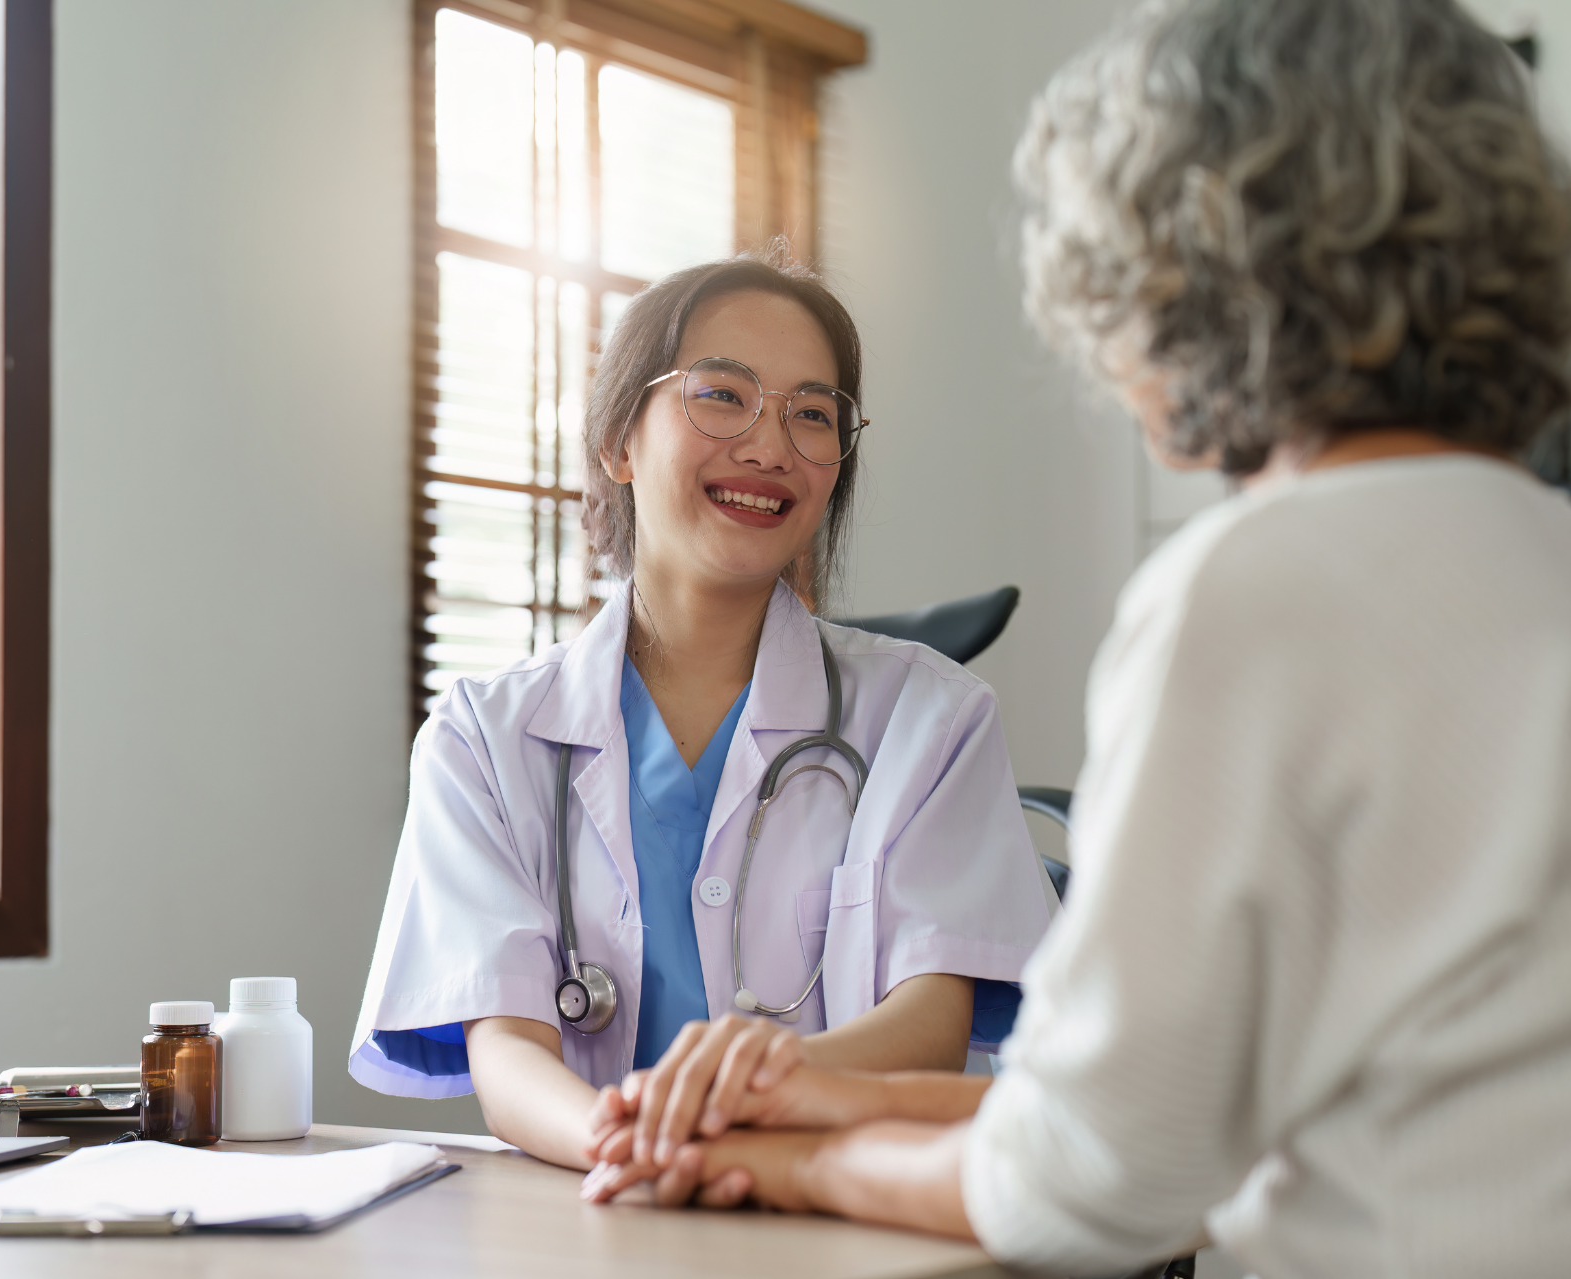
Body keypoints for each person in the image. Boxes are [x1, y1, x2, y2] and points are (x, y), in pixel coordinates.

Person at [583, 1, 1571, 1274]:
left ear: (1185, 274)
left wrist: (765, 1162)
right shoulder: (1564, 564)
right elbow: (1161, 1111)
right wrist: (821, 1097)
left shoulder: (1258, 584)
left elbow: (1090, 1183)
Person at [349, 249, 1054, 1173]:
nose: (770, 447)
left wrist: (727, 1107)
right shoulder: (482, 739)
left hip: (834, 1221)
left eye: (812, 413)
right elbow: (509, 1049)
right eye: (721, 395)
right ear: (617, 440)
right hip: (597, 1205)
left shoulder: (933, 719)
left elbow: (927, 1021)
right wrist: (633, 1145)